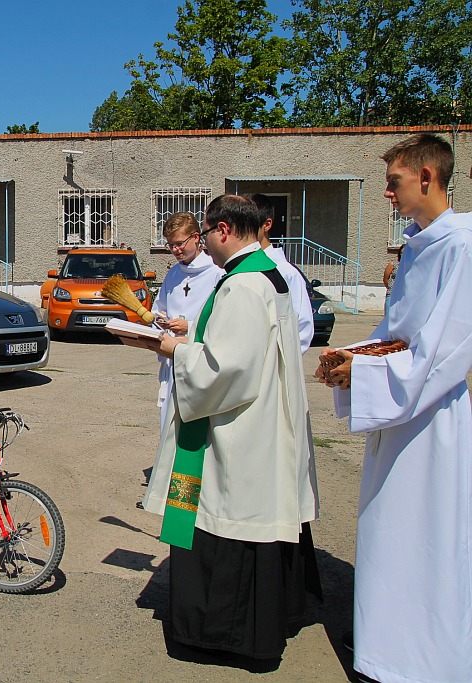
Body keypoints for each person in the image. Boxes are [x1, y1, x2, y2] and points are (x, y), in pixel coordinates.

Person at [127, 194, 320, 664]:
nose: (206, 244)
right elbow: (242, 346)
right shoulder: (268, 275)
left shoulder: (242, 286)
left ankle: (221, 634)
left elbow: (226, 371)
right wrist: (191, 336)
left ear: (223, 230)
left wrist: (174, 350)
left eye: (208, 233)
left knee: (224, 522)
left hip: (239, 428)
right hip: (265, 419)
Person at [316, 133, 472, 682]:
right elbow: (393, 332)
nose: (386, 192)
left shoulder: (462, 245)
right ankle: (385, 636)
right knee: (386, 527)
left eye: (394, 180)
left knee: (424, 532)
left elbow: (445, 349)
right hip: (399, 411)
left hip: (432, 416)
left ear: (428, 177)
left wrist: (368, 370)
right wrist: (348, 356)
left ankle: (423, 657)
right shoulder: (417, 243)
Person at [150, 212, 223, 426]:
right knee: (169, 423)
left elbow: (222, 320)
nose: (175, 250)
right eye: (171, 245)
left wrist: (189, 326)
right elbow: (159, 309)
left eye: (180, 243)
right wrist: (160, 320)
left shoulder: (217, 273)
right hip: (172, 360)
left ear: (196, 237)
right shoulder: (173, 274)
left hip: (199, 360)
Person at [249, 193, 314, 353]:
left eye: (249, 224)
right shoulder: (231, 270)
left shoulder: (286, 273)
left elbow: (302, 328)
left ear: (267, 224)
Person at [381, 243, 403, 314]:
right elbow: (385, 279)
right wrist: (391, 287)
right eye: (402, 252)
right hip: (392, 294)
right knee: (388, 317)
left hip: (403, 296)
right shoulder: (393, 264)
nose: (403, 254)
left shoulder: (410, 266)